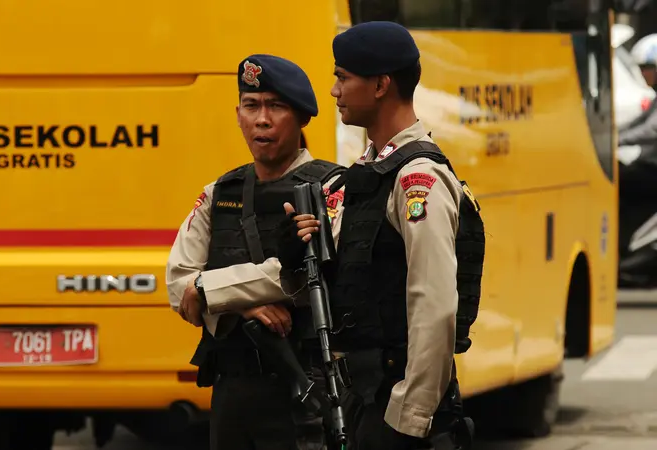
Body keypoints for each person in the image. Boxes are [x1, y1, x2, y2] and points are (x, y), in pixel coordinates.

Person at [277, 21, 484, 449]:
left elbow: (434, 306)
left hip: (397, 405)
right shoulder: (370, 173)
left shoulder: (417, 180)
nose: (333, 91)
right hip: (363, 399)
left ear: (380, 85)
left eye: (342, 77)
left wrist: (410, 418)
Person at [165, 53, 347, 450]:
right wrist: (241, 307)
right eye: (251, 106)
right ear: (238, 114)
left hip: (305, 391)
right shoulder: (220, 194)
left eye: (276, 106)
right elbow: (179, 286)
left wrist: (213, 292)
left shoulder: (331, 190)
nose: (261, 119)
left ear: (301, 118)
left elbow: (305, 278)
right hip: (232, 392)